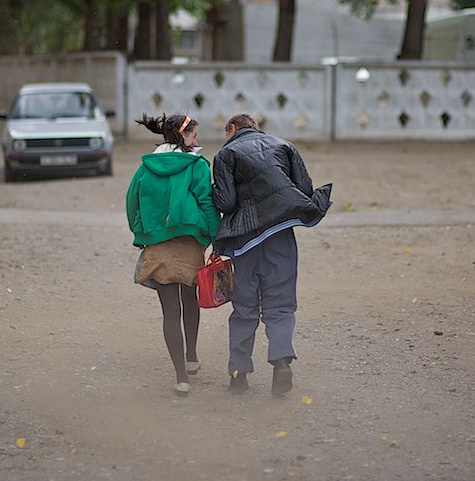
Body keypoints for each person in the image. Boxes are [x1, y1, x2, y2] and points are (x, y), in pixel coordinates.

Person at [212, 113, 332, 395]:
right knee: (280, 304)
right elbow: (303, 190)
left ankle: (239, 373)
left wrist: (214, 193)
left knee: (244, 309)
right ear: (254, 127)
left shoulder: (226, 154)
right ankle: (281, 364)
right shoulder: (285, 145)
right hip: (281, 237)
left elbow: (227, 202)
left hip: (246, 243)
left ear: (231, 129)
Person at [126, 113, 220, 395]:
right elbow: (206, 201)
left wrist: (141, 233)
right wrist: (215, 236)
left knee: (170, 311)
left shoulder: (146, 167)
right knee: (190, 300)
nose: (197, 141)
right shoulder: (197, 165)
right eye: (193, 136)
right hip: (189, 241)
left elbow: (132, 202)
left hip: (157, 244)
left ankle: (181, 377)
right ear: (182, 137)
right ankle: (191, 358)